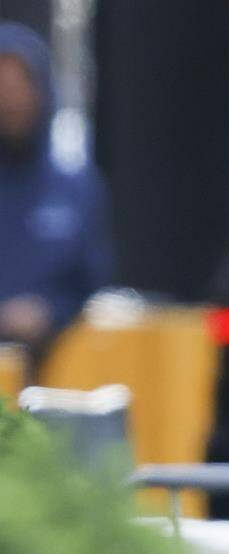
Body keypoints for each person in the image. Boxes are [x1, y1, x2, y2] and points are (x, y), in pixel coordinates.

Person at [0, 23, 110, 359]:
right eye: (1, 86)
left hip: (58, 368)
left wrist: (49, 311)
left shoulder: (75, 184)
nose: (9, 98)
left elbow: (94, 283)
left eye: (19, 84)